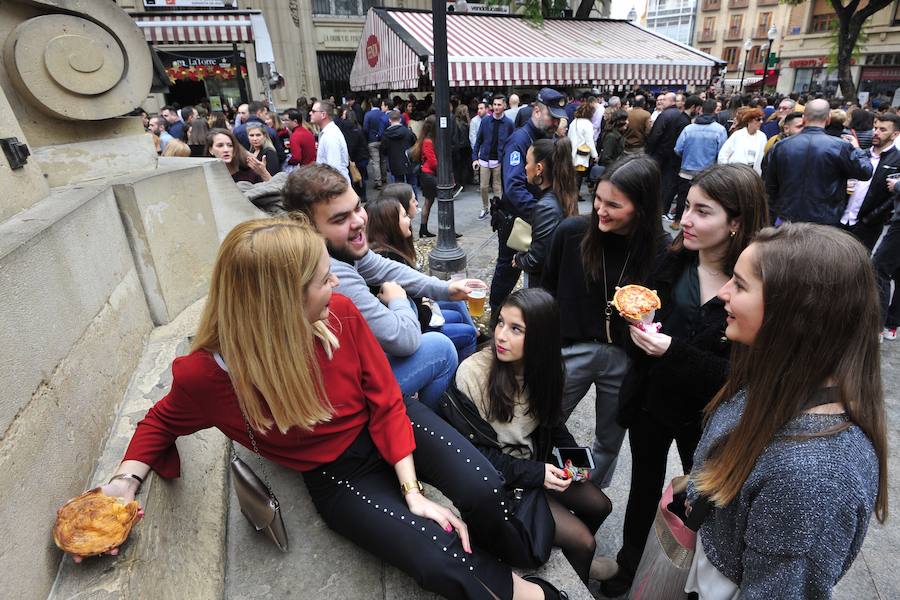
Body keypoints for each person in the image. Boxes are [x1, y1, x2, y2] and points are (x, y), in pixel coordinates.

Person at [69, 216, 569, 600]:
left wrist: (413, 490)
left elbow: (387, 400)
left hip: (392, 426)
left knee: (483, 487)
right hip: (335, 472)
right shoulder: (209, 374)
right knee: (437, 555)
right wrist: (123, 483)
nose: (338, 286)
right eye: (323, 281)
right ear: (279, 303)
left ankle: (518, 542)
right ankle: (532, 594)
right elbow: (161, 419)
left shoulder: (342, 312)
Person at [683, 222, 887, 597]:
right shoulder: (773, 378)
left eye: (741, 285)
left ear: (795, 314)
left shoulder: (814, 477)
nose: (723, 294)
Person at [601, 164, 770, 596]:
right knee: (642, 488)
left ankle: (687, 581)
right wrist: (633, 330)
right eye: (686, 207)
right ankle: (630, 567)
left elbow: (743, 378)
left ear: (736, 222)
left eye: (702, 211)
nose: (686, 220)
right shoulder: (672, 261)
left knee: (707, 501)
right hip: (651, 403)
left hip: (709, 419)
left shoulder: (755, 287)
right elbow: (633, 321)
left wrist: (671, 350)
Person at [443, 288, 613, 585]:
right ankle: (579, 561)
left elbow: (552, 424)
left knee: (601, 505)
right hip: (505, 481)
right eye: (500, 323)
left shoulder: (547, 370)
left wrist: (573, 459)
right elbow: (476, 456)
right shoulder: (472, 375)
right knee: (585, 542)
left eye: (515, 329)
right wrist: (537, 474)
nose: (501, 335)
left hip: (536, 463)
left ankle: (575, 561)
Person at [281, 164, 483, 410]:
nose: (358, 221)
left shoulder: (337, 248)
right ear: (310, 229)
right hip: (338, 398)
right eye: (340, 218)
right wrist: (399, 299)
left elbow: (384, 267)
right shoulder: (333, 274)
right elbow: (404, 340)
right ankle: (431, 424)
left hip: (348, 368)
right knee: (440, 350)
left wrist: (444, 288)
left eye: (357, 207)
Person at [542, 155, 670, 488]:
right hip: (570, 348)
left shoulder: (659, 249)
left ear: (641, 208)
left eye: (613, 204)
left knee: (609, 440)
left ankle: (587, 498)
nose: (600, 209)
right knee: (543, 421)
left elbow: (664, 310)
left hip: (626, 358)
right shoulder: (571, 232)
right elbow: (546, 291)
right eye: (597, 199)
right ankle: (548, 483)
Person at [366, 198, 477, 360]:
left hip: (417, 319)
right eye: (404, 215)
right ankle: (458, 375)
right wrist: (427, 306)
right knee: (467, 334)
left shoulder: (388, 253)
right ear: (390, 225)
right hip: (410, 334)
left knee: (458, 312)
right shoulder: (389, 259)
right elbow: (413, 322)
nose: (410, 219)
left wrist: (441, 293)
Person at [489, 88, 566, 315]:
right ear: (536, 111)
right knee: (508, 270)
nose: (555, 122)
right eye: (552, 116)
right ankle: (496, 314)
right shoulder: (520, 140)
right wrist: (541, 213)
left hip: (536, 218)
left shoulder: (547, 138)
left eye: (558, 118)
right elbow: (514, 187)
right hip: (518, 221)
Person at [766, 99, 874, 225]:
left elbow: (770, 186)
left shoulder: (781, 146)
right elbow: (865, 171)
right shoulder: (840, 147)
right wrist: (857, 149)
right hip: (822, 221)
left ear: (804, 118)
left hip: (787, 218)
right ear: (828, 119)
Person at [512, 138, 578, 289]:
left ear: (539, 168)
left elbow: (536, 260)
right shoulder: (563, 193)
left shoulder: (546, 207)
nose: (525, 167)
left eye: (527, 162)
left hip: (545, 290)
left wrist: (519, 258)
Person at [840, 112, 900, 250]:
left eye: (882, 130)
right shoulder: (863, 154)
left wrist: (872, 217)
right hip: (843, 219)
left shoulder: (897, 160)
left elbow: (893, 196)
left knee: (859, 266)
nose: (876, 132)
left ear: (895, 135)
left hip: (868, 225)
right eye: (875, 128)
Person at [672, 99, 728, 228]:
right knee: (703, 200)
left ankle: (677, 221)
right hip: (707, 173)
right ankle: (697, 223)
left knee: (682, 197)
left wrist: (687, 157)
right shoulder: (720, 130)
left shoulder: (689, 128)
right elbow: (722, 152)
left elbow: (677, 149)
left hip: (686, 170)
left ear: (701, 110)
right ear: (714, 111)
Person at [646, 92, 690, 214]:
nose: (662, 102)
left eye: (664, 100)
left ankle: (654, 206)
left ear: (671, 101)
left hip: (660, 154)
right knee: (667, 182)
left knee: (656, 181)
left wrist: (648, 152)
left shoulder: (665, 115)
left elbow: (655, 135)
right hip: (674, 156)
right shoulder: (681, 116)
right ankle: (662, 208)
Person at [474, 95, 515, 221]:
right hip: (485, 158)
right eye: (495, 104)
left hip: (499, 159)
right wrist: (475, 157)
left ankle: (498, 210)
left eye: (499, 105)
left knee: (497, 187)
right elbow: (479, 140)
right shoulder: (486, 121)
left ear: (504, 106)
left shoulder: (508, 123)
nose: (496, 107)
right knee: (483, 186)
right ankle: (485, 207)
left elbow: (511, 142)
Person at [205, 128, 271, 184]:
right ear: (211, 150)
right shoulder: (206, 175)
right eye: (220, 145)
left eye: (230, 145)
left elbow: (274, 191)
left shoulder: (250, 171)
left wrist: (264, 173)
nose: (226, 149)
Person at [410, 115, 438, 238]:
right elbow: (433, 162)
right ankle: (447, 229)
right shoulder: (428, 141)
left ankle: (423, 229)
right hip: (429, 175)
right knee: (443, 201)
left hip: (428, 174)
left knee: (429, 202)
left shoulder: (427, 140)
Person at [717, 107, 767, 175]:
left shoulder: (762, 137)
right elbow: (723, 155)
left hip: (753, 175)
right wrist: (727, 172)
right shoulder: (738, 135)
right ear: (749, 120)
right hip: (735, 174)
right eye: (758, 119)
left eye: (762, 119)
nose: (761, 122)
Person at [311, 99, 350, 182]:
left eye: (313, 111)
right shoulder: (328, 132)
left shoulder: (330, 135)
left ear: (323, 115)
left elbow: (334, 169)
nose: (310, 113)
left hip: (335, 188)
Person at [568, 102, 598, 198]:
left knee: (574, 176)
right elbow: (590, 141)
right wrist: (595, 155)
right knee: (579, 176)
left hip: (572, 152)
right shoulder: (587, 124)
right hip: (581, 154)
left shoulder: (574, 122)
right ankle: (576, 195)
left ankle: (574, 194)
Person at [381, 110, 417, 184]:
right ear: (400, 120)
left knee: (398, 184)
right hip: (408, 161)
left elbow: (383, 150)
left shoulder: (386, 135)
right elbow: (415, 144)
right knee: (412, 184)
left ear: (389, 120)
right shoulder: (408, 132)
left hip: (394, 162)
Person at [363, 98, 390, 189]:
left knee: (375, 162)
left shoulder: (368, 115)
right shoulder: (383, 114)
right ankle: (384, 178)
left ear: (371, 104)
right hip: (382, 140)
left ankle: (378, 182)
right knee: (383, 160)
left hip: (372, 140)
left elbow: (365, 129)